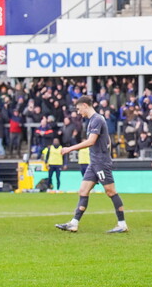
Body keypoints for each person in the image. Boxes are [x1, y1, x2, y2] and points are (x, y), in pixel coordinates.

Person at [55, 96, 129, 234]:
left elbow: (91, 141)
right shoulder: (93, 121)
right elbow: (107, 139)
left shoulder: (97, 119)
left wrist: (70, 149)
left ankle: (122, 224)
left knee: (111, 191)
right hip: (94, 163)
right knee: (83, 191)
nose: (78, 112)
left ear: (85, 105)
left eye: (78, 109)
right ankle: (74, 223)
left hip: (101, 163)